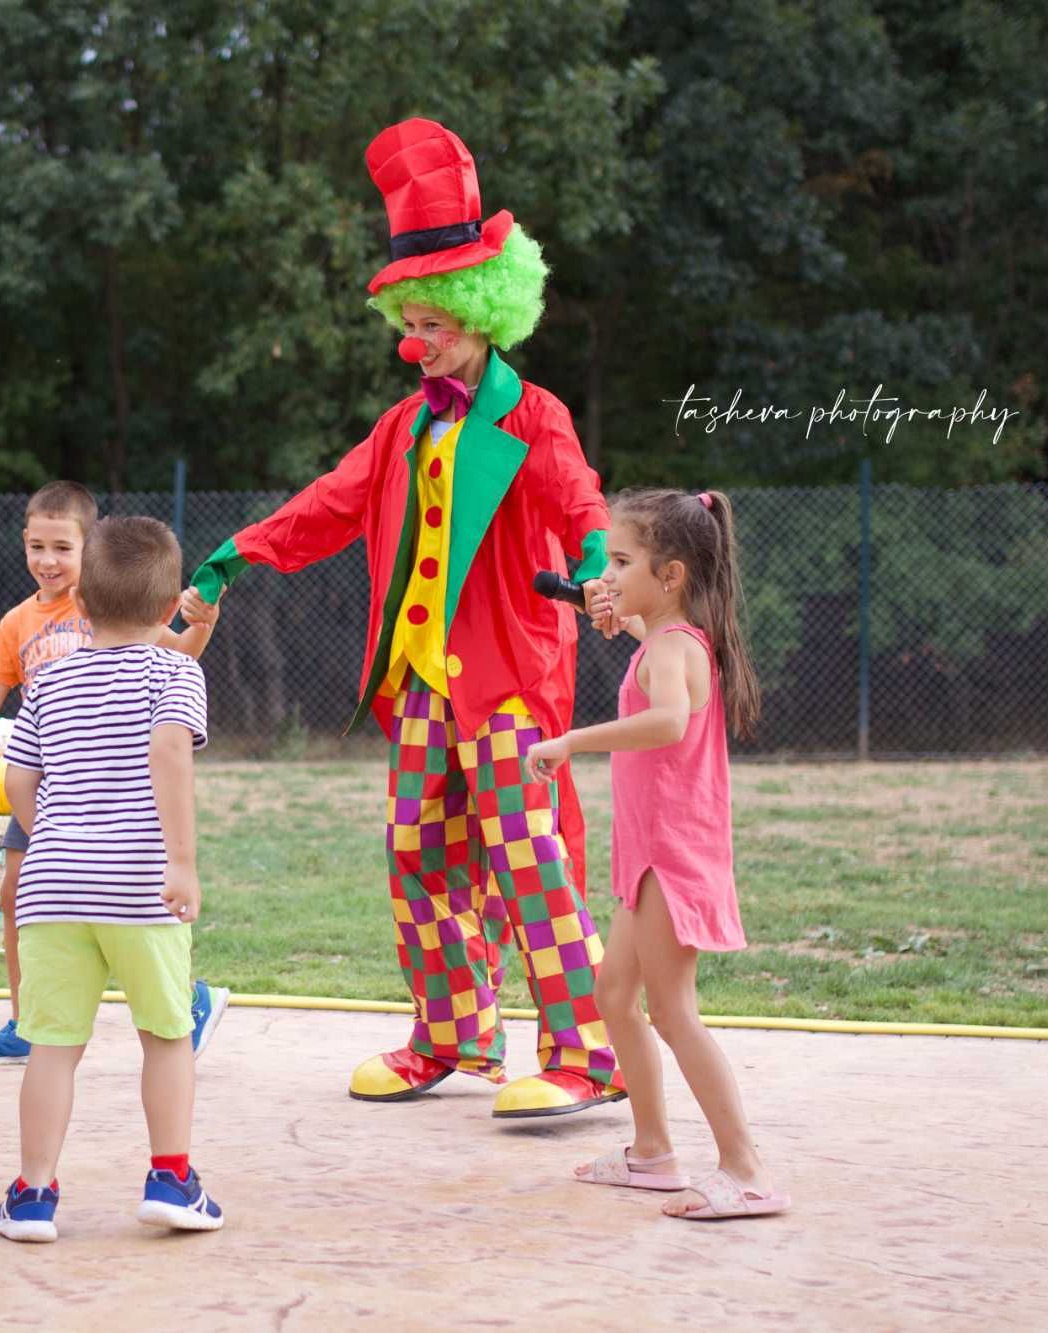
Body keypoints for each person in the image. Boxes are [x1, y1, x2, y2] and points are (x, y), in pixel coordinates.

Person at [182, 117, 625, 1116]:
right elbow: (327, 503)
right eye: (408, 318)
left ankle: (586, 1049)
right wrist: (234, 554)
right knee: (419, 850)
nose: (409, 339)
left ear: (478, 314)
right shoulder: (402, 427)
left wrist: (600, 568)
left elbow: (579, 502)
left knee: (523, 850)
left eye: (429, 321)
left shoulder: (529, 415)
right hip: (421, 678)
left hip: (508, 674)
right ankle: (452, 1034)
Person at [526, 490, 790, 1220]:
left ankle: (747, 1170)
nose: (605, 573)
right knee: (614, 994)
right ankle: (651, 1152)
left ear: (670, 574)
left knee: (673, 1012)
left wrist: (569, 742)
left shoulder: (672, 650)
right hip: (648, 855)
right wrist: (615, 607)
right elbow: (641, 626)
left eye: (620, 560)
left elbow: (669, 719)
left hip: (673, 857)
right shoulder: (662, 636)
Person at [0, 481, 230, 1069]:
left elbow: (175, 659)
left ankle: (186, 1000)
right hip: (44, 786)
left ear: (91, 552)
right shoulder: (17, 622)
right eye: (35, 546)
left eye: (62, 548)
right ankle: (25, 1022)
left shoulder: (117, 604)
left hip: (111, 795)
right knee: (21, 898)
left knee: (134, 914)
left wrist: (206, 625)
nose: (47, 560)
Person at [0, 516, 225, 1244]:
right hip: (140, 888)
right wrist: (180, 860)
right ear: (167, 611)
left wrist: (55, 833)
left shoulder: (51, 677)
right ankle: (171, 1178)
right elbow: (169, 757)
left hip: (53, 890)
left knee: (53, 1044)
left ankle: (32, 1194)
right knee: (166, 1034)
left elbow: (19, 779)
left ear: (80, 605)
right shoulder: (176, 669)